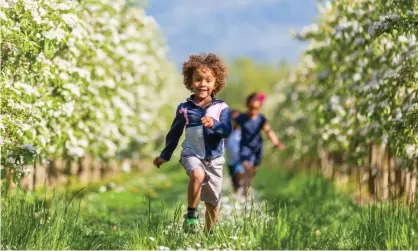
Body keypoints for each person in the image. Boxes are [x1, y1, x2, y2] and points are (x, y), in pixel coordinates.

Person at [153, 53, 232, 234]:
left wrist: (215, 124)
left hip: (214, 158)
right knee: (197, 174)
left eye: (208, 80)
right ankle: (191, 215)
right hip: (192, 154)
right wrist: (164, 155)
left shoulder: (221, 108)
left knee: (213, 201)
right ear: (190, 81)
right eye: (198, 79)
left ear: (216, 83)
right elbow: (174, 134)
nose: (203, 84)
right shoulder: (184, 108)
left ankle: (209, 233)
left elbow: (227, 130)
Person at [234, 92, 285, 197]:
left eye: (256, 101)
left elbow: (268, 131)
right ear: (247, 104)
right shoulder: (241, 118)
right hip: (244, 147)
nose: (254, 104)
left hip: (257, 148)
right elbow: (231, 129)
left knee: (252, 171)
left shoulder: (261, 119)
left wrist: (276, 142)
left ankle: (244, 184)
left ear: (260, 105)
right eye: (252, 101)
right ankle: (245, 193)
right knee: (247, 168)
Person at [225, 109, 244, 193]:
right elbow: (223, 143)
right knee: (234, 179)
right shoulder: (227, 131)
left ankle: (243, 189)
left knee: (239, 172)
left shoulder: (243, 131)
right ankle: (236, 192)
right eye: (233, 119)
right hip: (230, 160)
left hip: (241, 158)